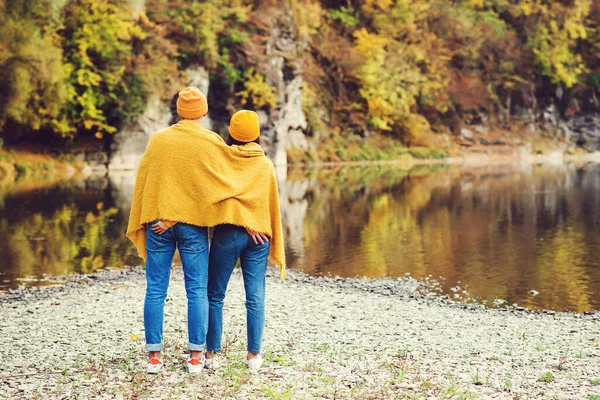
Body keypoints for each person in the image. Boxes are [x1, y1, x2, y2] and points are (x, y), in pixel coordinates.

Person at [127, 88, 285, 374]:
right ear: (203, 111)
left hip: (159, 225)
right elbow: (218, 185)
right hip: (195, 228)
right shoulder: (211, 143)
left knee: (156, 289)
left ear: (178, 110)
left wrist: (162, 215)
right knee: (198, 290)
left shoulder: (158, 140)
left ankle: (154, 358)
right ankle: (198, 357)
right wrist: (249, 217)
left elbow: (145, 182)